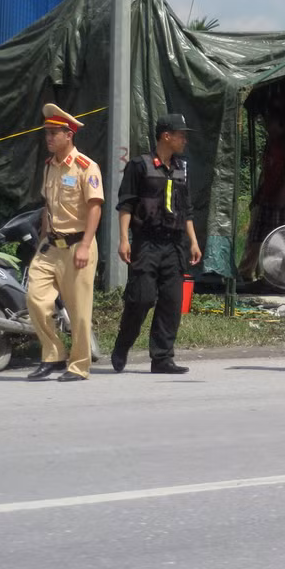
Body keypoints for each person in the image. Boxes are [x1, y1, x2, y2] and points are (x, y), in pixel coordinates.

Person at [111, 113, 203, 375]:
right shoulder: (139, 165)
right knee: (141, 298)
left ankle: (162, 358)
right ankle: (123, 344)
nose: (184, 140)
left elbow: (186, 209)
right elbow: (126, 204)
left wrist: (193, 241)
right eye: (181, 135)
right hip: (146, 243)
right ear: (166, 136)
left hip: (174, 244)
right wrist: (123, 239)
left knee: (172, 302)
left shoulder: (182, 167)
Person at [26, 103, 103, 382]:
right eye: (46, 132)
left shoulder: (86, 167)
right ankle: (54, 354)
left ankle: (79, 365)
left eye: (53, 133)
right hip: (51, 246)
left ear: (68, 135)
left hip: (78, 245)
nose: (48, 137)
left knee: (79, 310)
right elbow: (48, 207)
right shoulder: (50, 167)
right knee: (35, 298)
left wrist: (85, 244)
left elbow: (95, 207)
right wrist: (42, 241)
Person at [238, 109, 285, 281]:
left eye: (270, 123)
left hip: (281, 199)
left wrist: (282, 194)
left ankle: (273, 275)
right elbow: (265, 172)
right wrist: (258, 196)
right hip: (266, 196)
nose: (267, 127)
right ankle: (246, 272)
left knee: (277, 238)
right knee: (256, 235)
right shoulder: (270, 143)